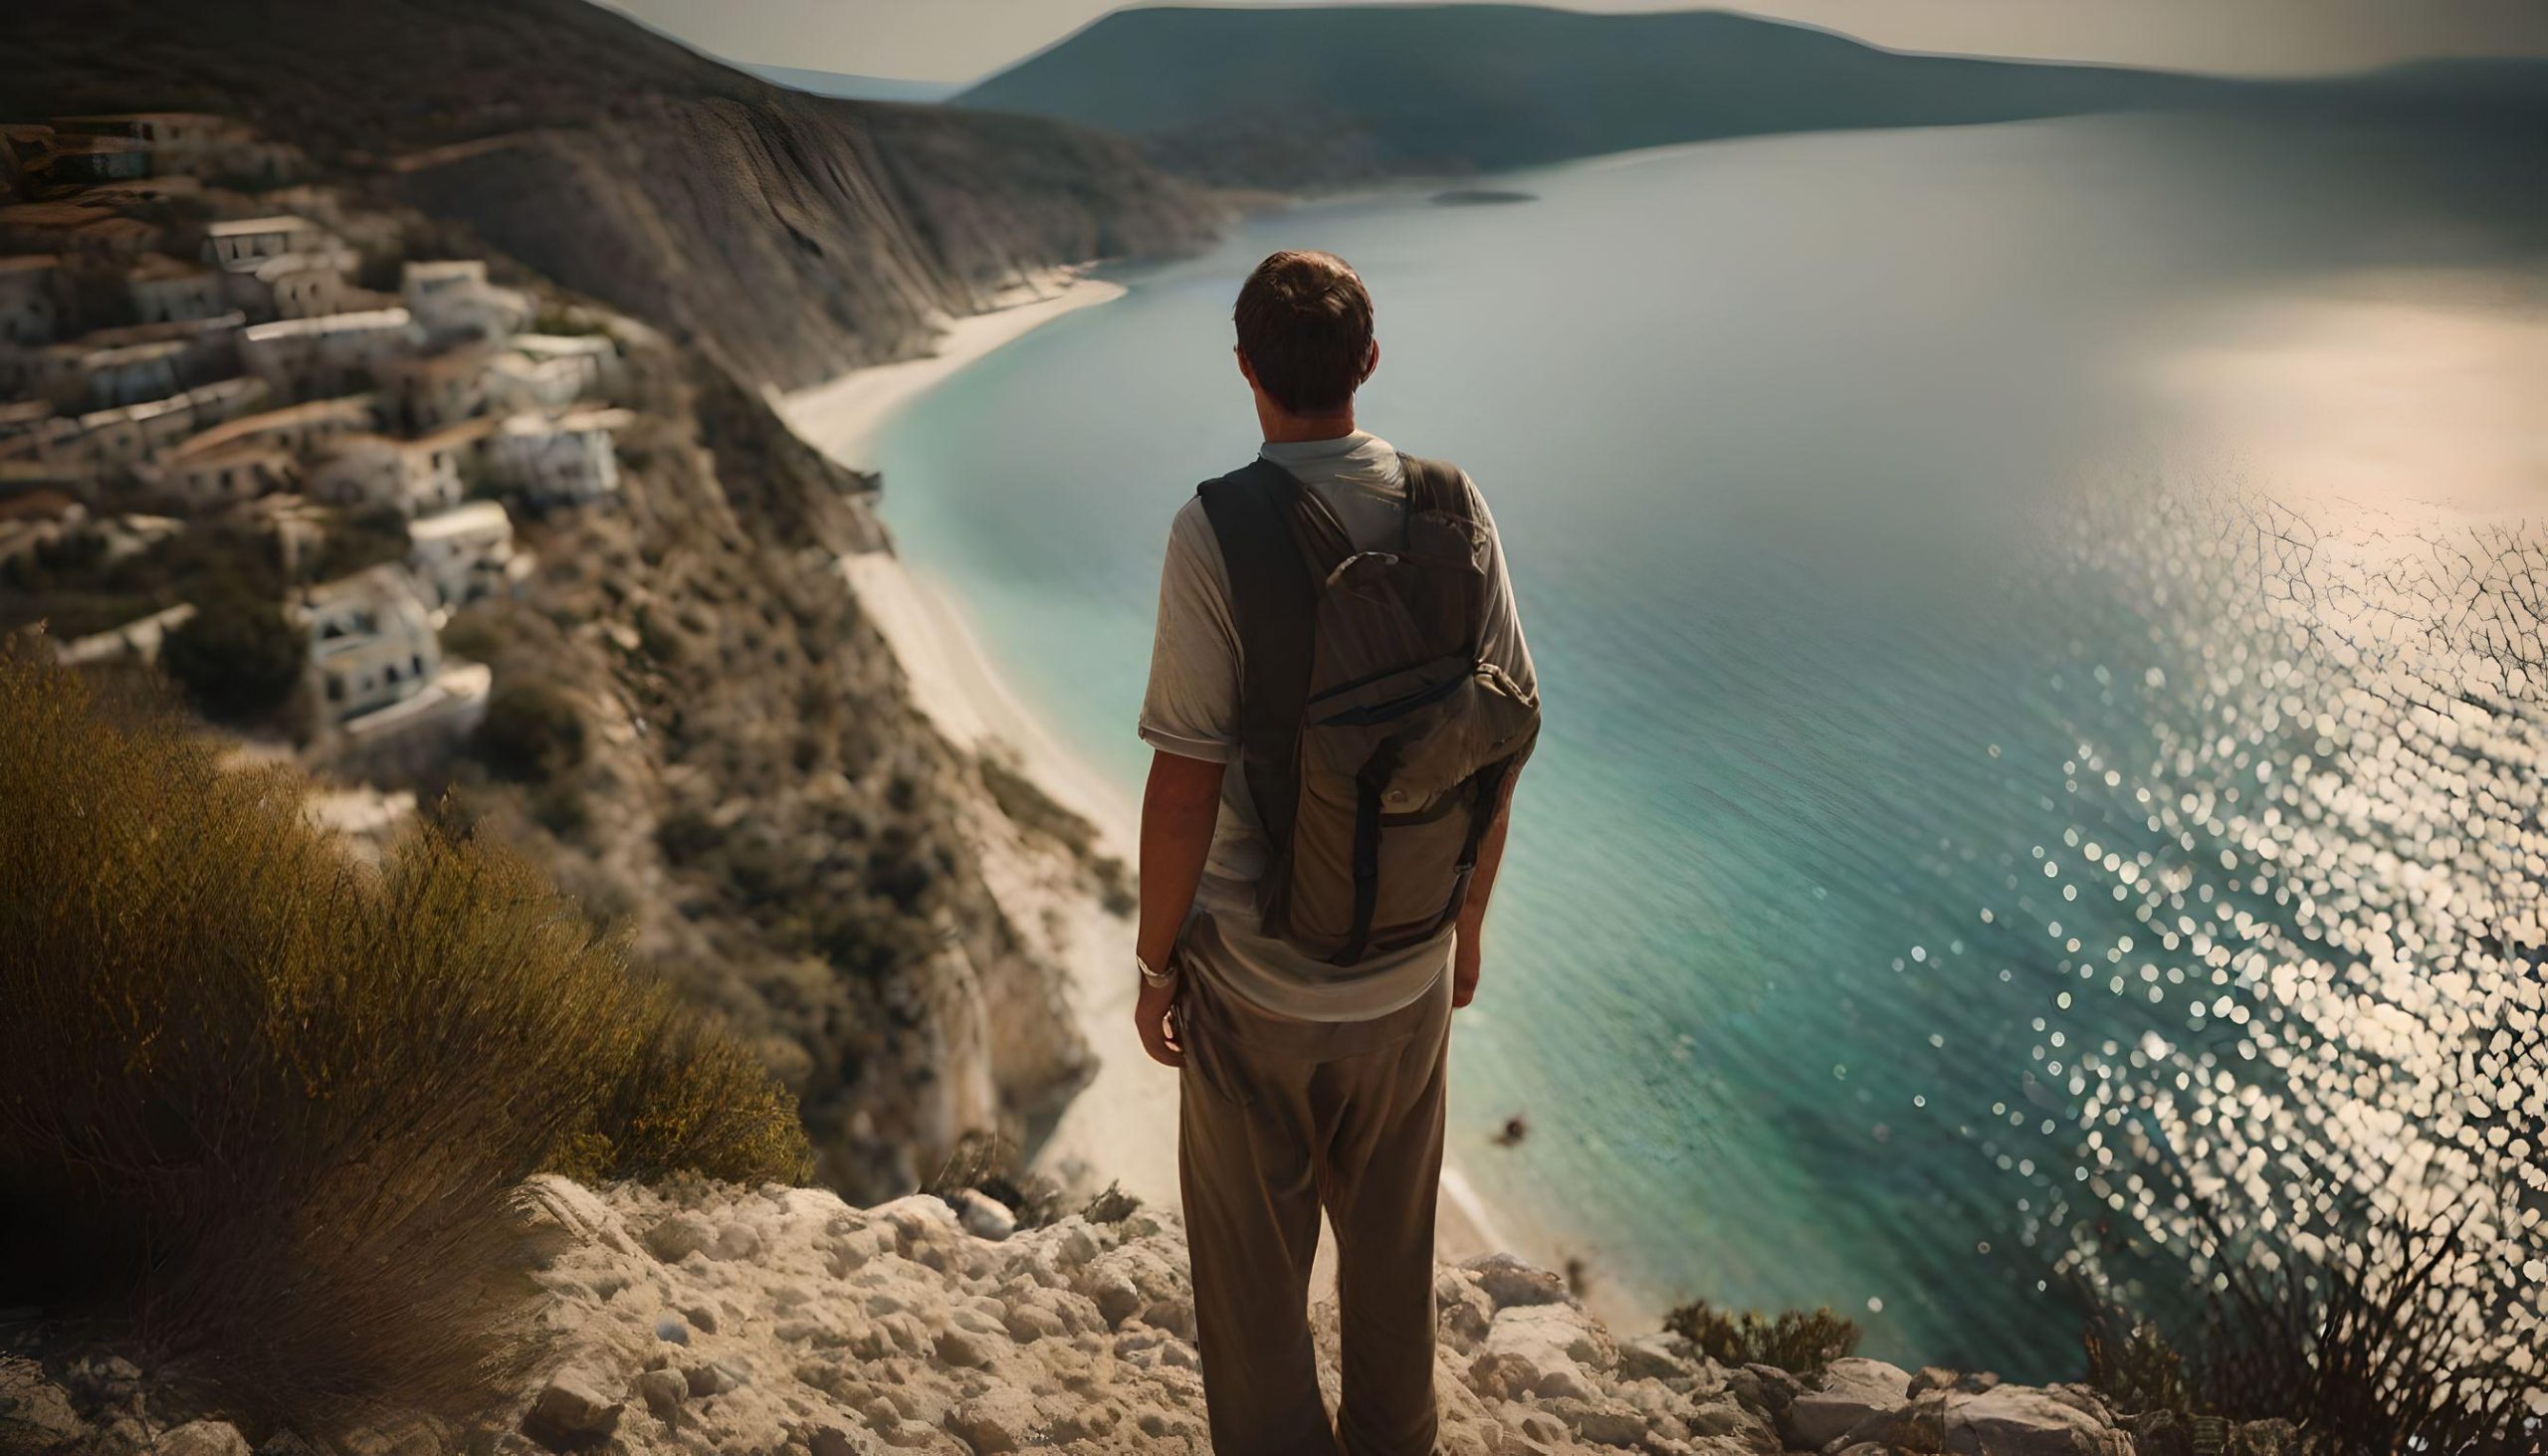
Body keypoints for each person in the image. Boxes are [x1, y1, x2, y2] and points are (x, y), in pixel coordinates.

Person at [1133, 249, 1539, 1456]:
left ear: (1247, 368)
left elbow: (1185, 781)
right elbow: (1500, 732)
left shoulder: (1215, 528)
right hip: (1408, 971)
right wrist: (1463, 924)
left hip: (1254, 986)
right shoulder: (1452, 508)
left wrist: (1158, 965)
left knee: (1255, 1294)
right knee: (1393, 1261)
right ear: (1368, 361)